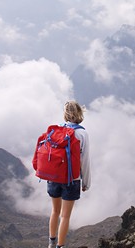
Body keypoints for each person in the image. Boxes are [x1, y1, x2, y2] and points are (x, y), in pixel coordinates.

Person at [47, 101, 91, 248]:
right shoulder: (82, 134)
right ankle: (60, 246)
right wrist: (86, 183)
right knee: (65, 216)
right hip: (71, 180)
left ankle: (51, 243)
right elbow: (84, 160)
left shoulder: (57, 130)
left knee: (54, 211)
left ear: (65, 114)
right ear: (80, 113)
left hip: (53, 177)